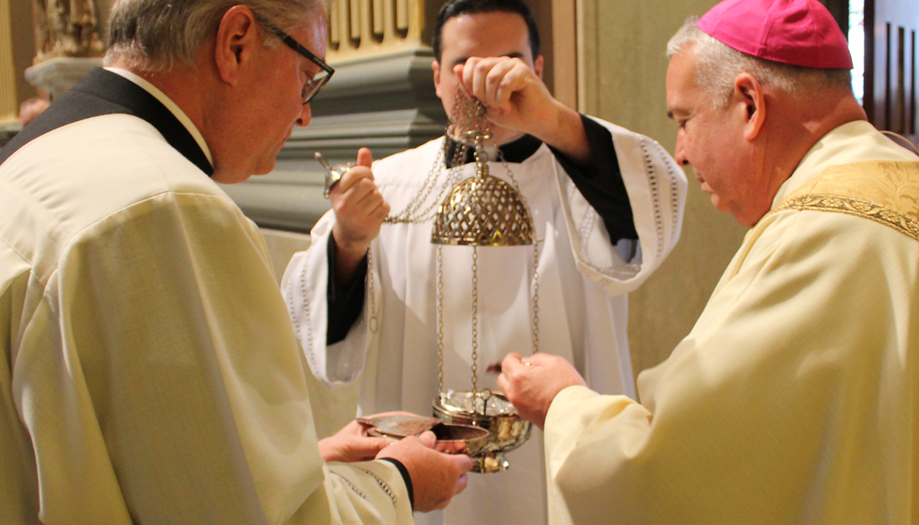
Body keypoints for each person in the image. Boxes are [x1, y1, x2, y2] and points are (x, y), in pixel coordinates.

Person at [0, 0, 473, 522]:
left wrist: (309, 459)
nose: (304, 114)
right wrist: (398, 479)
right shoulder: (165, 209)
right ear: (236, 43)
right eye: (307, 76)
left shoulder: (22, 166)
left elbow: (119, 463)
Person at [497, 1, 919, 523]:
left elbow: (674, 469)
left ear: (750, 103)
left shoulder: (824, 233)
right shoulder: (905, 188)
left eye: (685, 119)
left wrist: (563, 405)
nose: (680, 151)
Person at [281, 1, 687, 523]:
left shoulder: (591, 172)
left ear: (538, 72)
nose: (486, 80)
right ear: (435, 77)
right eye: (464, 65)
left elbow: (657, 203)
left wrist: (552, 120)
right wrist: (349, 245)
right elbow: (325, 336)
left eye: (508, 61)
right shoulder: (387, 187)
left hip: (562, 469)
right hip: (425, 478)